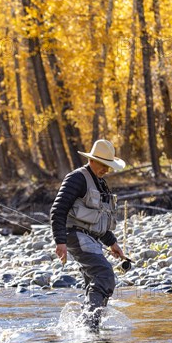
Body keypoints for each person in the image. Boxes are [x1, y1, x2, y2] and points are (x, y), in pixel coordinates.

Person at [50, 139, 126, 331]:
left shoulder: (100, 183)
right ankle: (88, 326)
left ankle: (88, 330)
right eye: (103, 165)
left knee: (94, 281)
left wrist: (112, 242)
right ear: (92, 160)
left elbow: (98, 220)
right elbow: (57, 210)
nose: (106, 170)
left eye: (109, 166)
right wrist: (60, 242)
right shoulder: (76, 178)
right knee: (104, 274)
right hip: (74, 236)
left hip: (91, 238)